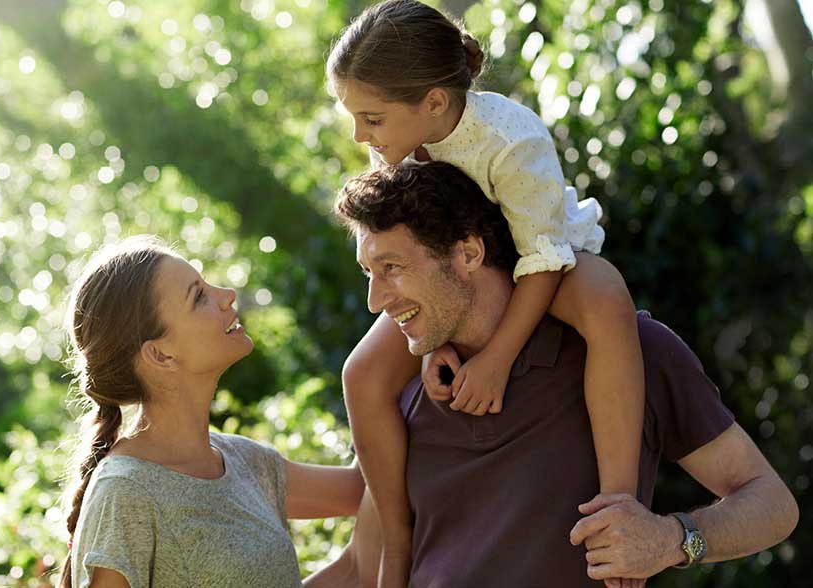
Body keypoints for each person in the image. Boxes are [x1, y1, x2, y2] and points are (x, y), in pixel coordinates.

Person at [310, 161, 799, 587]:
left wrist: (673, 539)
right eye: (368, 274)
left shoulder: (631, 353)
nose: (375, 300)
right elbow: (363, 566)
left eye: (391, 267)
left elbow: (772, 504)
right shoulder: (406, 392)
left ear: (468, 253)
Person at [326, 2, 645, 584]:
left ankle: (617, 510)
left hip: (537, 254)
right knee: (362, 374)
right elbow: (418, 259)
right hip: (460, 270)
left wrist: (495, 359)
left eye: (371, 118)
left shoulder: (510, 139)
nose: (359, 135)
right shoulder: (397, 141)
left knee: (605, 298)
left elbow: (543, 260)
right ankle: (397, 541)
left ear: (435, 103)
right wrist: (430, 342)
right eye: (353, 117)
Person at [56, 236, 364, 588]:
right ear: (160, 355)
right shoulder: (125, 492)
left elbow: (365, 490)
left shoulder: (245, 462)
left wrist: (423, 338)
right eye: (199, 296)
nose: (227, 294)